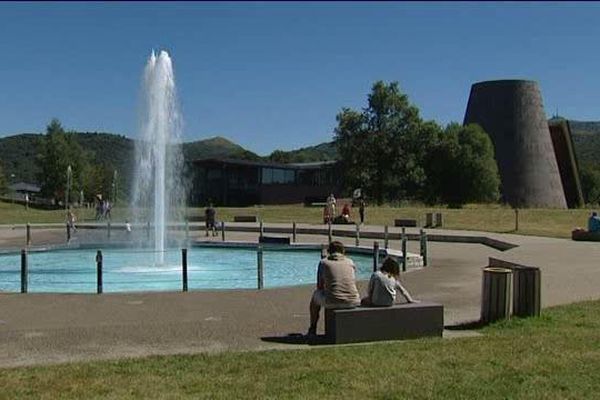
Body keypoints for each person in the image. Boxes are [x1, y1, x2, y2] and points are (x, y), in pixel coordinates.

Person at [307, 241, 361, 337]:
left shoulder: (324, 263)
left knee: (315, 297)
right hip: (353, 300)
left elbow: (319, 286)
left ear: (329, 251)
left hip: (332, 300)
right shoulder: (350, 262)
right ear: (343, 251)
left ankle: (313, 328)